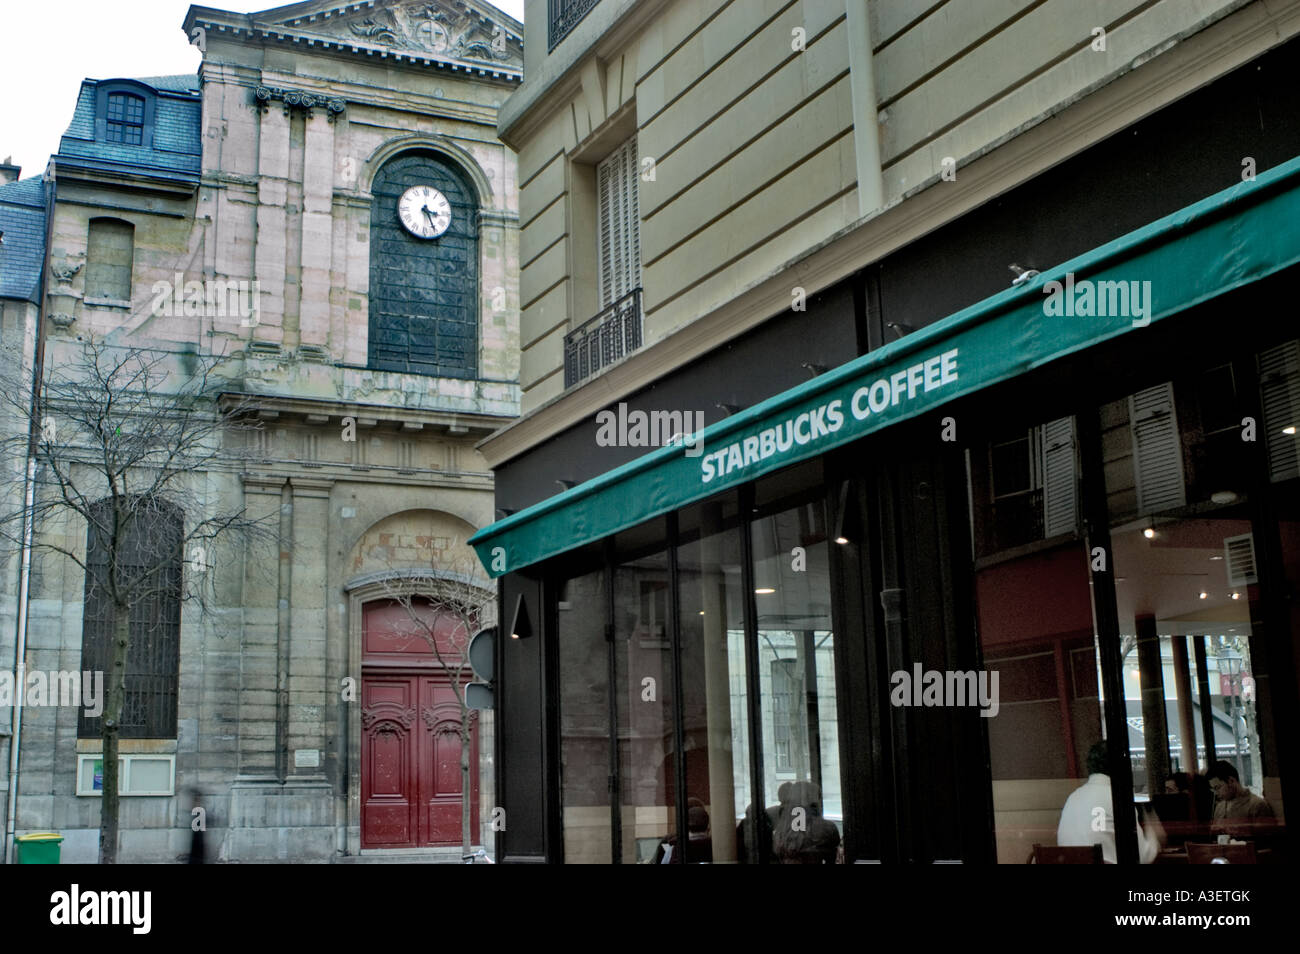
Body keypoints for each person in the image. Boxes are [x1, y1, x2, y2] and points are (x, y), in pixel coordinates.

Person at [1056, 741, 1164, 863]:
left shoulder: (1073, 798)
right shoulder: (1117, 799)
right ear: (1121, 768)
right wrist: (1154, 833)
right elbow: (1142, 857)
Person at [1208, 760, 1275, 837]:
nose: (1216, 793)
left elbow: (1265, 841)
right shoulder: (1219, 807)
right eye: (1214, 790)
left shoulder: (1257, 805)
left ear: (1231, 781)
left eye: (1218, 788)